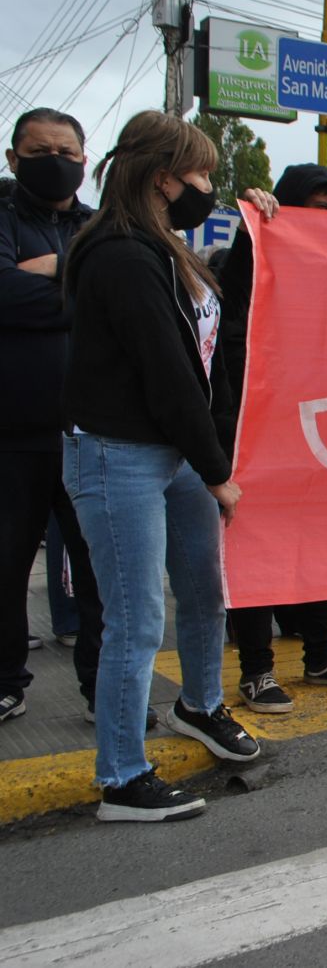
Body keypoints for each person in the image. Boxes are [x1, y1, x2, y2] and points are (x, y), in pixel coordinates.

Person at [62, 111, 270, 821]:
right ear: (162, 179)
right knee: (136, 620)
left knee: (205, 591)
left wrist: (254, 233)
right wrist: (217, 470)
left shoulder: (163, 249)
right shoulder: (120, 256)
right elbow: (168, 372)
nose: (209, 185)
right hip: (118, 454)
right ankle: (122, 778)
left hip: (170, 452)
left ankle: (199, 705)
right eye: (202, 173)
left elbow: (219, 325)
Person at [214, 163, 327, 713]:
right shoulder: (253, 258)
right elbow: (234, 306)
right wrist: (251, 233)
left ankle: (320, 655)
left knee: (318, 546)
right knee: (258, 548)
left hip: (320, 430)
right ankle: (257, 672)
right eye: (315, 206)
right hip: (257, 429)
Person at [0, 107, 105, 724]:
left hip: (91, 433)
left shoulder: (99, 225)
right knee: (8, 565)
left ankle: (103, 687)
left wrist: (44, 275)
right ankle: (7, 679)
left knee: (100, 574)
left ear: (83, 159)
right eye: (39, 151)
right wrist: (78, 279)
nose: (54, 161)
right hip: (12, 432)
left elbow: (117, 297)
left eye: (64, 150)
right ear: (14, 158)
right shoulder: (4, 215)